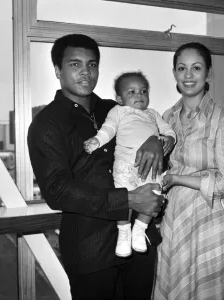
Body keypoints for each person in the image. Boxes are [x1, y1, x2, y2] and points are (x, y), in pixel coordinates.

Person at [27, 34, 166, 300]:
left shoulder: (113, 109)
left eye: (92, 65)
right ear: (57, 70)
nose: (85, 72)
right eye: (75, 64)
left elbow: (149, 142)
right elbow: (57, 190)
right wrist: (129, 199)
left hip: (139, 241)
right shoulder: (47, 124)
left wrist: (156, 140)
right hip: (90, 249)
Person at [153, 42, 224, 299]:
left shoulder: (222, 118)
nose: (188, 75)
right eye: (182, 68)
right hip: (175, 217)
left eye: (196, 68)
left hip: (211, 218)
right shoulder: (166, 118)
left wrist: (178, 179)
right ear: (174, 73)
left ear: (208, 73)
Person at [84, 71, 176, 257]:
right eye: (132, 92)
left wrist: (168, 139)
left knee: (154, 193)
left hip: (151, 166)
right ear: (119, 98)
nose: (139, 96)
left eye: (143, 91)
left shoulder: (153, 114)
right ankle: (124, 233)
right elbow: (108, 129)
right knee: (124, 196)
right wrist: (96, 141)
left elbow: (169, 131)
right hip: (126, 164)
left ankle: (140, 229)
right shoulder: (118, 111)